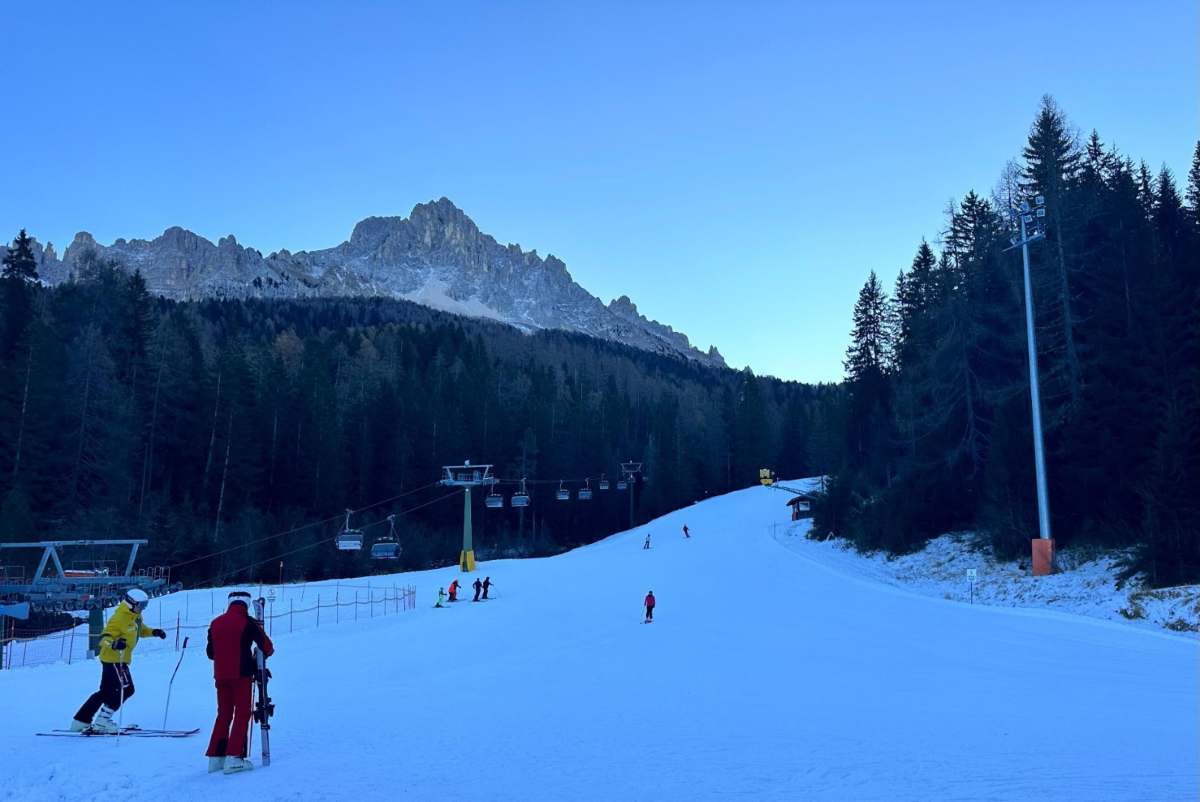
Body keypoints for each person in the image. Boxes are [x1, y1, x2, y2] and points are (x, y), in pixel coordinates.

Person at [70, 588, 166, 733]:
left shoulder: (135, 617)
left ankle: (80, 721)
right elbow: (104, 638)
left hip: (118, 660)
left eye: (145, 605)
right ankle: (103, 721)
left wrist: (154, 632)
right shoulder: (119, 618)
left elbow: (140, 630)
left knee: (105, 692)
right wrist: (114, 644)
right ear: (131, 603)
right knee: (127, 689)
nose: (143, 608)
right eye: (141, 605)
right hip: (115, 659)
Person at [205, 591, 274, 775]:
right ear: (247, 604)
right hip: (241, 674)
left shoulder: (215, 623)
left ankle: (215, 757)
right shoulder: (248, 622)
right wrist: (254, 657)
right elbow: (267, 646)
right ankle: (234, 757)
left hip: (220, 675)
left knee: (224, 714)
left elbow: (211, 653)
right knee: (242, 713)